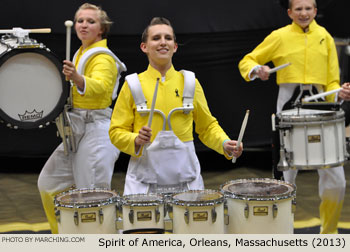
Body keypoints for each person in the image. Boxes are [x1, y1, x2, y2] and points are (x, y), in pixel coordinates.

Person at [238, 0, 346, 234]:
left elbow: (332, 81)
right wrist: (258, 70)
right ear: (289, 12)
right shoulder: (279, 36)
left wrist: (340, 92)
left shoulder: (325, 36)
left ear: (315, 11)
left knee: (336, 179)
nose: (304, 13)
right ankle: (284, 235)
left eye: (308, 8)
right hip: (287, 110)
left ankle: (329, 233)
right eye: (298, 9)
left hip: (321, 109)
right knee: (285, 180)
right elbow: (246, 61)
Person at [109, 17, 242, 196]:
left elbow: (207, 126)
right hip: (143, 180)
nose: (163, 42)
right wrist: (135, 139)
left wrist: (225, 143)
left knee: (188, 223)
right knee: (145, 224)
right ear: (144, 47)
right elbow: (116, 131)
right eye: (156, 38)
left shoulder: (190, 82)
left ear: (175, 46)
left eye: (168, 38)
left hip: (186, 179)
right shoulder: (132, 84)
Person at [37, 3, 126, 234]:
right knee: (48, 184)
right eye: (80, 21)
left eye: (91, 21)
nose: (83, 25)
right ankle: (65, 237)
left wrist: (77, 78)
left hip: (97, 128)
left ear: (101, 29)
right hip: (77, 127)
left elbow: (102, 88)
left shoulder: (103, 57)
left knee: (93, 195)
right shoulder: (80, 52)